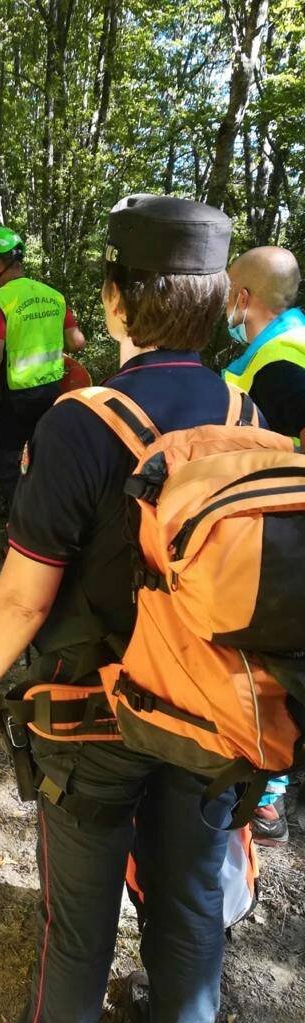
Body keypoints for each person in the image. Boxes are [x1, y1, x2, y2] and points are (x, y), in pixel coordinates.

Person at [0, 195, 238, 1023]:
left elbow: (22, 592)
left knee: (80, 931)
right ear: (216, 303)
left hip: (93, 719)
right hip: (211, 713)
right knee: (188, 915)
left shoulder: (81, 424)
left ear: (115, 298)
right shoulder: (246, 416)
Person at [223, 245, 305, 846]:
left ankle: (269, 793)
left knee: (272, 656)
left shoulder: (277, 366)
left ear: (243, 298)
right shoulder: (293, 342)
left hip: (283, 535)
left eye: (230, 289)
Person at [0, 227, 85, 509]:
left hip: (16, 397)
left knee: (11, 462)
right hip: (52, 392)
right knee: (47, 455)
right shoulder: (54, 296)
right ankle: (50, 514)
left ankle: (18, 526)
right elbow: (77, 342)